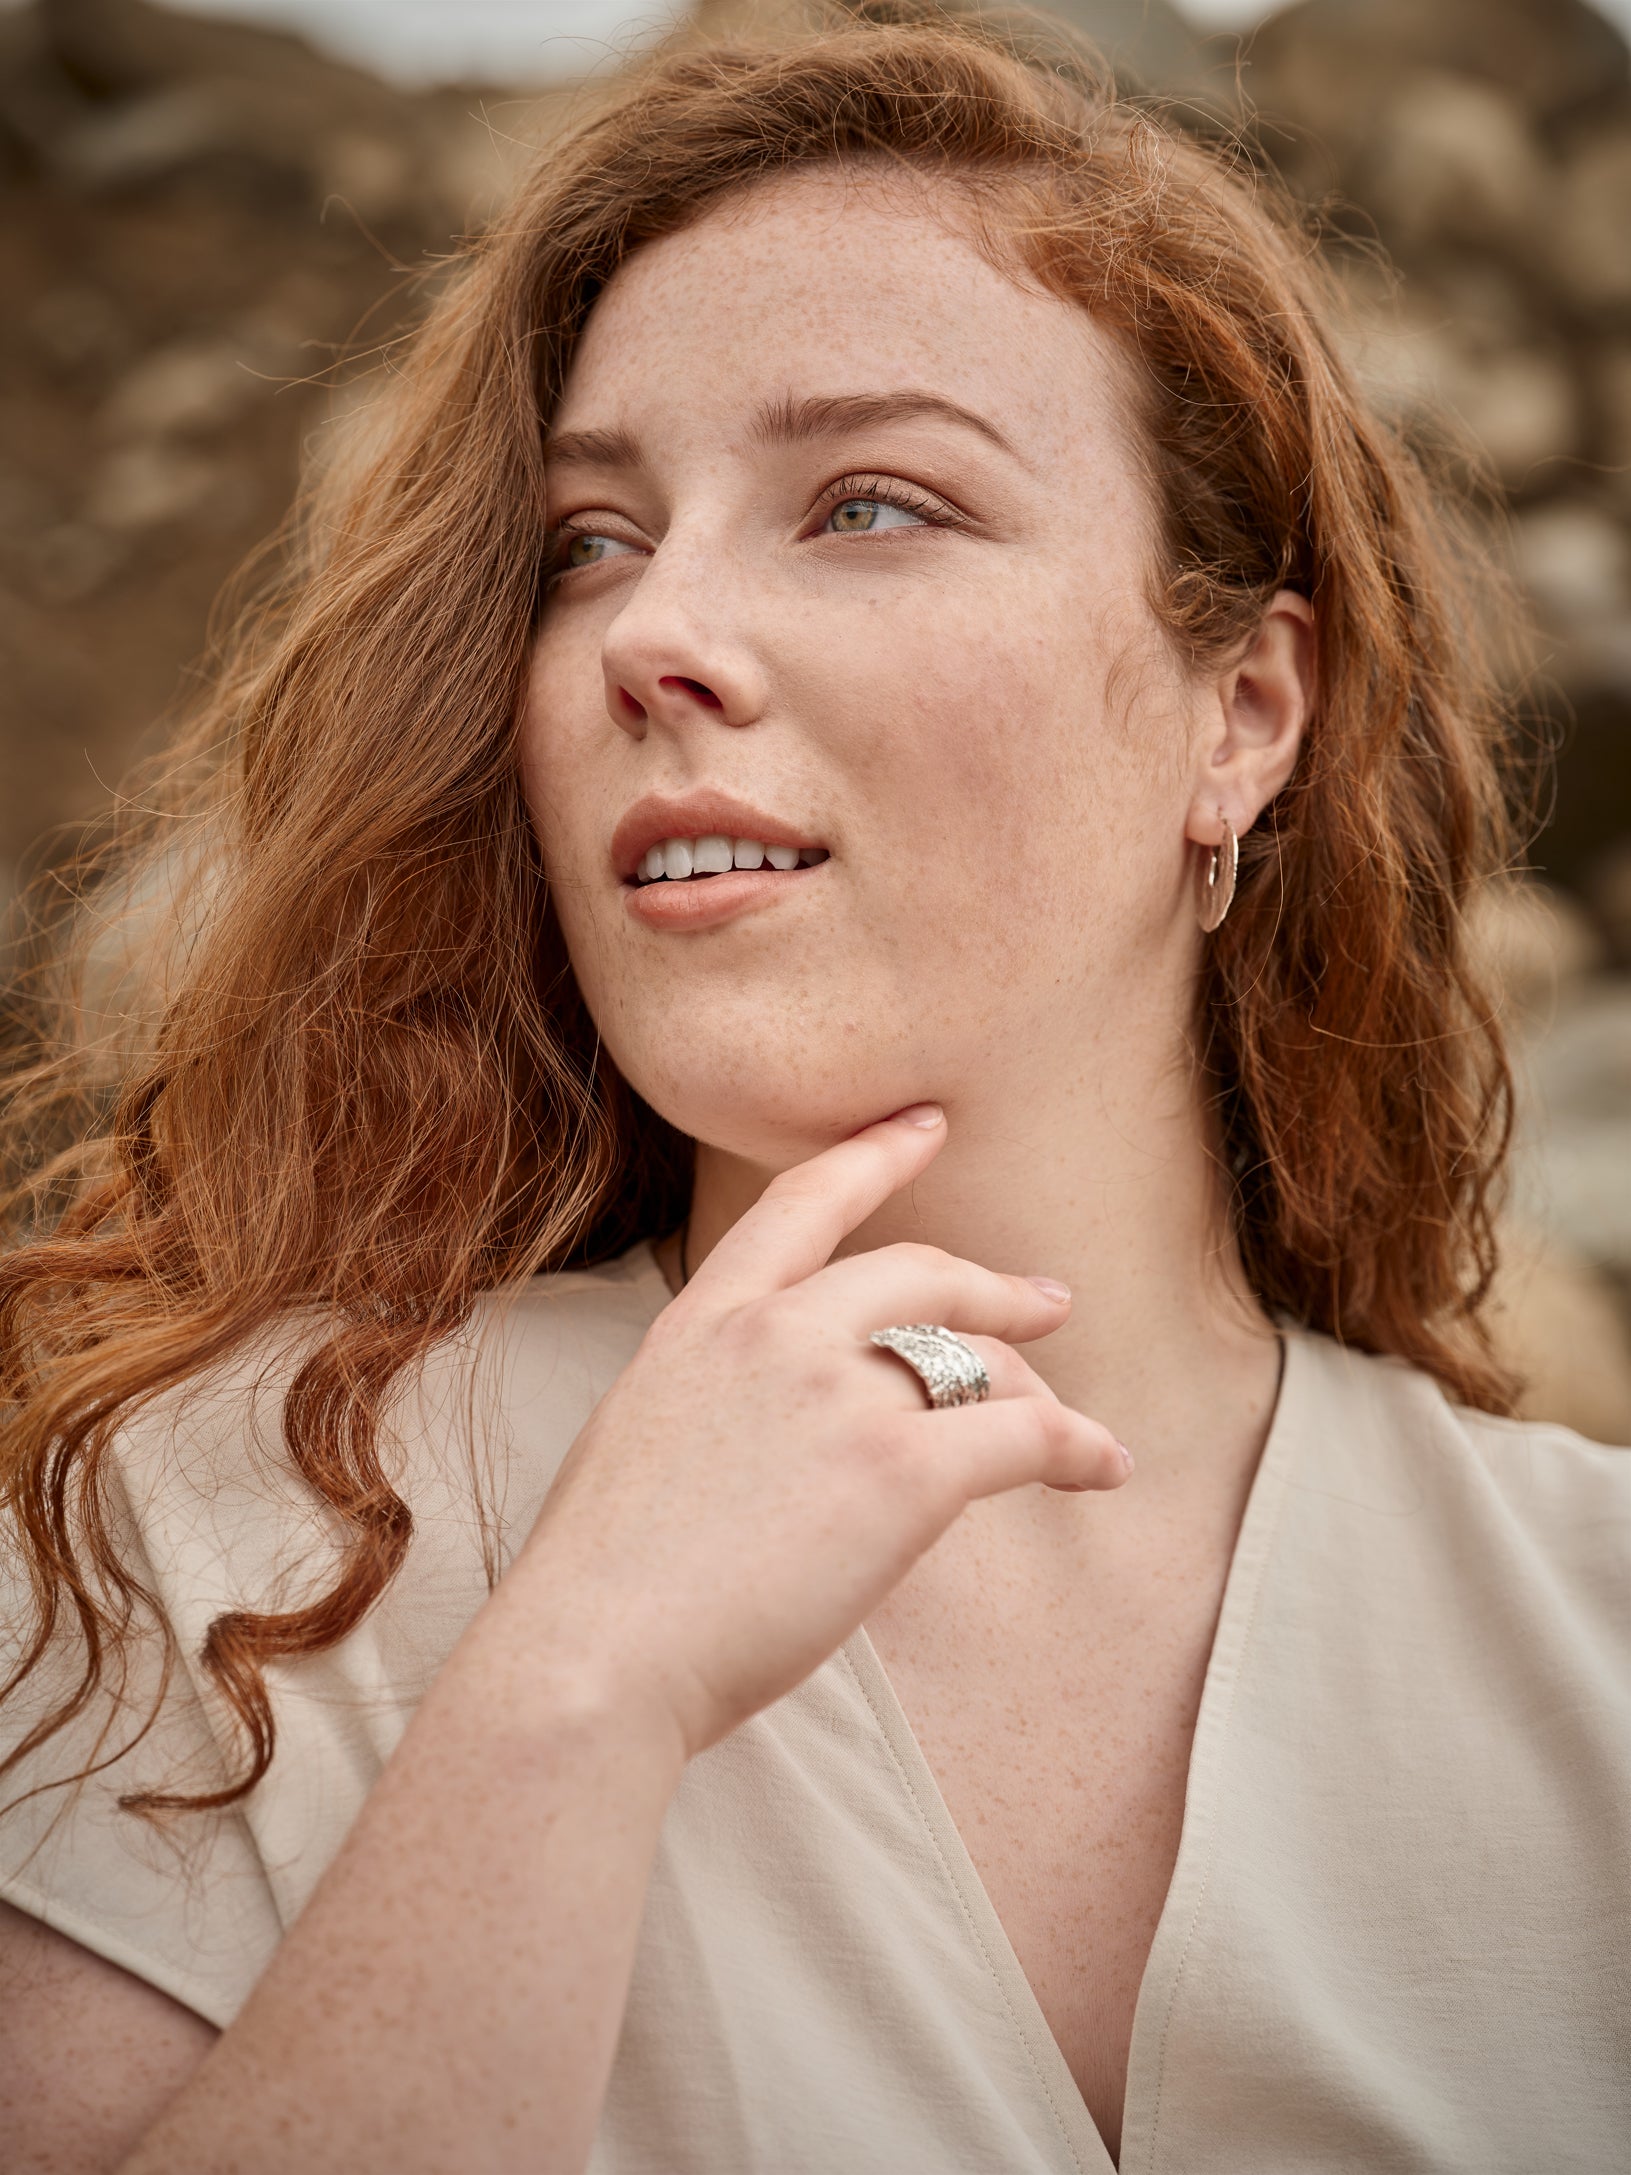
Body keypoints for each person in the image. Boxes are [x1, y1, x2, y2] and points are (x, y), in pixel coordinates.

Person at [1, 15, 1626, 2174]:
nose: (648, 634)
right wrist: (573, 1692)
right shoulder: (190, 1536)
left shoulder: (1595, 1629)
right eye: (589, 538)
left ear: (1242, 709)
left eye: (871, 500)